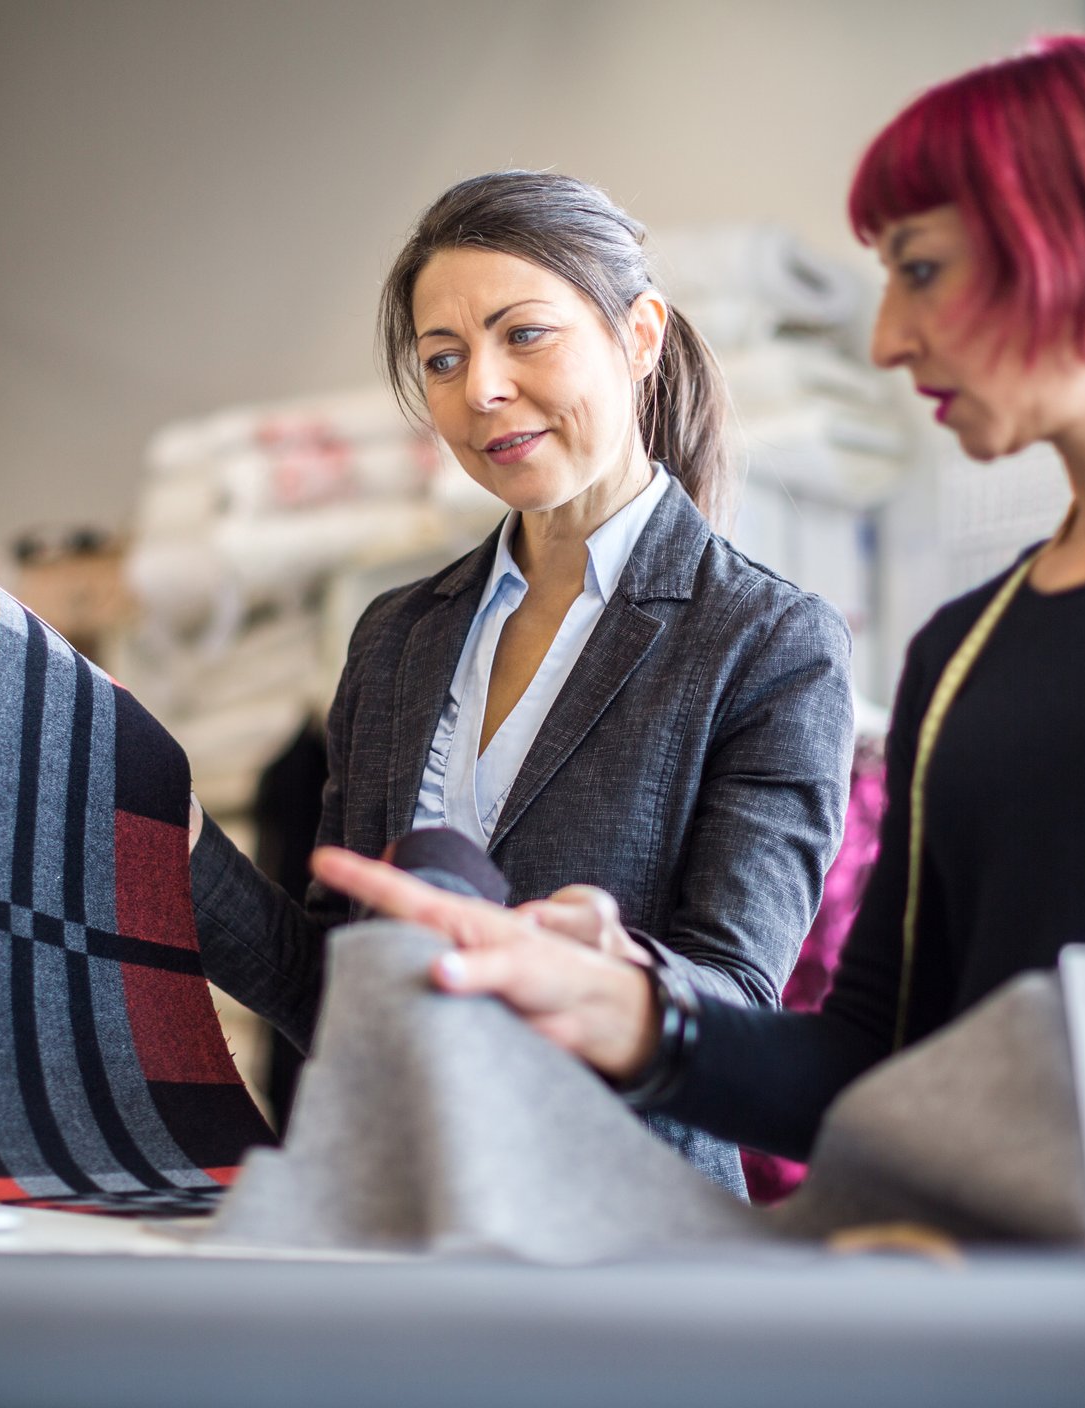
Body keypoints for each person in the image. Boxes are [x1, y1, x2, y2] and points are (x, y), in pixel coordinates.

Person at [311, 36, 1085, 1161]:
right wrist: (631, 1006)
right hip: (1014, 1305)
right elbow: (865, 1065)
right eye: (442, 356)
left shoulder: (774, 639)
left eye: (923, 269)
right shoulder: (965, 651)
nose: (888, 337)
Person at [188, 170, 854, 1195]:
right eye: (442, 359)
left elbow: (731, 998)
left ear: (640, 337)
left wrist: (607, 973)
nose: (481, 390)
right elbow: (333, 987)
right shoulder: (398, 637)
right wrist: (174, 842)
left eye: (523, 335)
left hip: (627, 1232)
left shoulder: (767, 643)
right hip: (398, 1205)